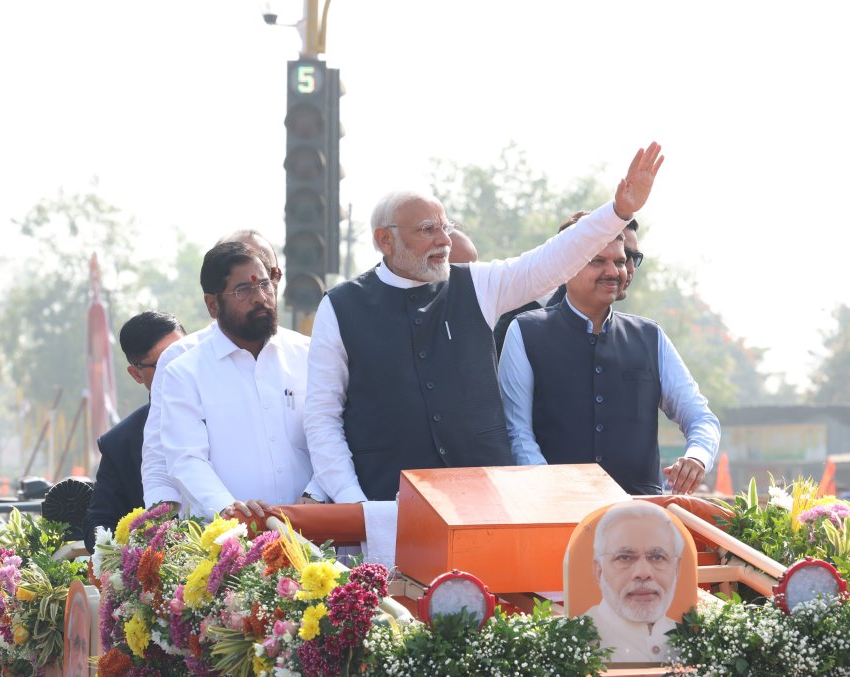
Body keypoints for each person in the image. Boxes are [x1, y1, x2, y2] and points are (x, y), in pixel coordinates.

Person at [305, 142, 664, 503]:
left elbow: (549, 262)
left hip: (484, 503)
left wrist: (617, 212)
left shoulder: (476, 284)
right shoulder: (340, 307)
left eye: (446, 227)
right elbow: (322, 419)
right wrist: (355, 504)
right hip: (388, 506)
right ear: (385, 240)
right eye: (428, 230)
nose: (444, 241)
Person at [498, 233, 719, 495]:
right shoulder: (526, 331)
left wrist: (697, 457)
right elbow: (516, 431)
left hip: (641, 512)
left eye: (620, 261)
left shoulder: (649, 335)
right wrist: (549, 491)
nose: (613, 271)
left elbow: (700, 416)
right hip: (557, 510)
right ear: (566, 267)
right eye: (598, 261)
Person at [140, 229, 323, 516]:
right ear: (213, 305)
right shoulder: (184, 370)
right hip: (230, 542)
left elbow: (333, 436)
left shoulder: (310, 355)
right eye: (244, 290)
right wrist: (229, 509)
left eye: (265, 284)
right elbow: (183, 458)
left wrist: (317, 493)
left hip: (314, 532)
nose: (261, 297)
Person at [83, 311, 185, 552]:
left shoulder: (232, 410)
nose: (180, 369)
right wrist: (136, 547)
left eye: (184, 355)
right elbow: (97, 524)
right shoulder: (120, 443)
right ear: (136, 374)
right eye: (164, 364)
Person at [494, 214, 641, 355]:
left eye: (631, 258)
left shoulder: (645, 337)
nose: (629, 268)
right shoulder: (527, 318)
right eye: (599, 259)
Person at [585, 501, 684, 663]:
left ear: (677, 569)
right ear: (599, 570)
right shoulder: (576, 640)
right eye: (624, 557)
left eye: (658, 557)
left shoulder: (696, 639)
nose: (643, 573)